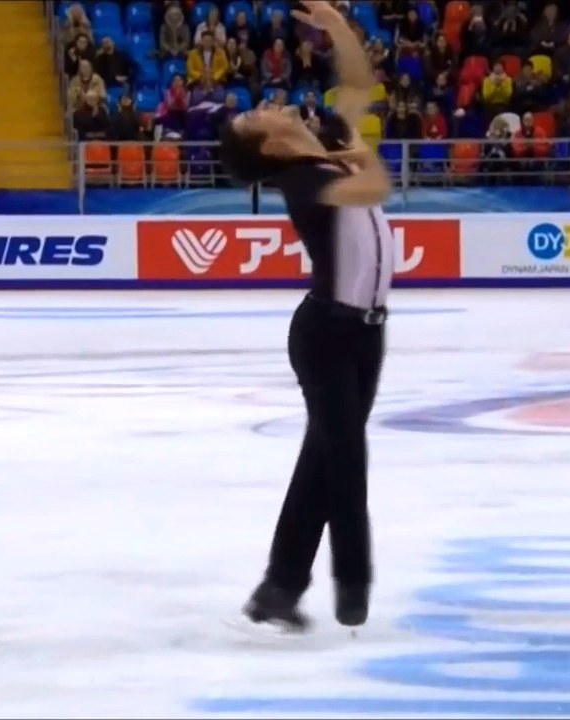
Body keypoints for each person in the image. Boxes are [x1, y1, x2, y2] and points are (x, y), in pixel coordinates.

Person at [217, 0, 393, 634]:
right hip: (325, 333)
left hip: (366, 332)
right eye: (257, 112)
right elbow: (375, 188)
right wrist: (361, 158)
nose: (270, 102)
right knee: (344, 456)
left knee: (326, 455)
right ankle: (353, 584)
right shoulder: (301, 181)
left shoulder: (327, 148)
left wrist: (336, 26)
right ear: (268, 141)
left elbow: (357, 86)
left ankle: (280, 585)